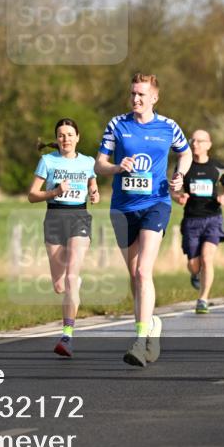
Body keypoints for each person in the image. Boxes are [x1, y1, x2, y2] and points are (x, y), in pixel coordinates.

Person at [97, 73, 190, 367]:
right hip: (123, 208)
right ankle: (151, 325)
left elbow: (185, 154)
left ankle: (139, 339)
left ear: (154, 97)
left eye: (141, 94)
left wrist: (179, 175)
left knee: (142, 272)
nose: (136, 99)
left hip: (156, 204)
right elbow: (99, 164)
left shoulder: (168, 126)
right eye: (133, 94)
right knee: (134, 276)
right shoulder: (117, 124)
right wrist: (115, 167)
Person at [28, 118, 100, 358]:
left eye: (70, 134)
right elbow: (32, 195)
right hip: (54, 219)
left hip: (79, 217)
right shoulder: (47, 161)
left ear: (77, 137)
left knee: (70, 276)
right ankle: (73, 286)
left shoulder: (88, 161)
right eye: (61, 135)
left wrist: (94, 191)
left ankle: (67, 335)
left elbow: (92, 182)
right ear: (56, 139)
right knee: (60, 285)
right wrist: (55, 192)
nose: (66, 138)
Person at [172, 129, 224, 314]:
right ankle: (194, 273)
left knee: (207, 258)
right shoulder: (184, 167)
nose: (194, 144)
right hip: (191, 219)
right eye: (192, 141)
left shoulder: (217, 167)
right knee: (194, 264)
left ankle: (203, 299)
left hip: (213, 218)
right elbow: (173, 190)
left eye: (199, 141)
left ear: (208, 144)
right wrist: (178, 197)